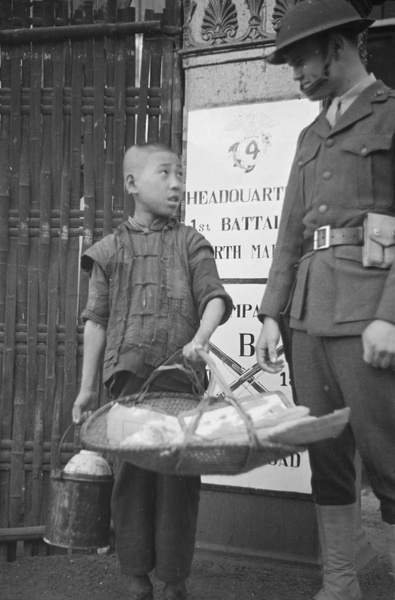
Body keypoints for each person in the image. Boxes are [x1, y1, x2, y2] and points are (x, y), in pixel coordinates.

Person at [255, 1, 395, 599]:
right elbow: (290, 232)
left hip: (369, 312)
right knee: (325, 453)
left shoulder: (391, 116)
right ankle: (340, 584)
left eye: (299, 61)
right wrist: (269, 313)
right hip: (307, 316)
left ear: (338, 45)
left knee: (389, 453)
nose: (295, 75)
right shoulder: (310, 133)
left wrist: (390, 315)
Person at [72, 142, 232, 600]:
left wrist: (200, 339)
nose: (177, 183)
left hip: (182, 383)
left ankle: (175, 580)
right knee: (132, 477)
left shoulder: (191, 242)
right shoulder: (108, 251)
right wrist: (87, 390)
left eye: (180, 174)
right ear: (132, 184)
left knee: (179, 481)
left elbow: (214, 298)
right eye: (165, 173)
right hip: (127, 383)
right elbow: (96, 321)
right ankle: (135, 575)